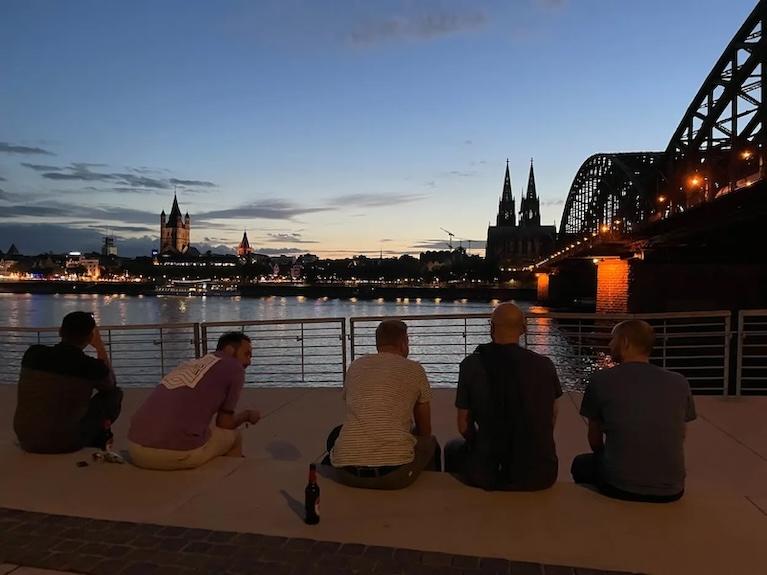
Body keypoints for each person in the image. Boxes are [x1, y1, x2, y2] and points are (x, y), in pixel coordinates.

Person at [571, 320, 697, 503]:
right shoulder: (679, 382)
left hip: (619, 486)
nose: (609, 345)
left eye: (612, 339)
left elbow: (595, 439)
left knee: (580, 464)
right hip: (672, 489)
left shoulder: (601, 380)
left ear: (625, 343)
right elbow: (682, 434)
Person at [444, 302, 562, 491]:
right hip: (541, 474)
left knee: (452, 448)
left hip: (489, 474)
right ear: (524, 329)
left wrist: (481, 443)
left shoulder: (471, 365)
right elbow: (552, 416)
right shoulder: (545, 365)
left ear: (491, 328)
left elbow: (463, 426)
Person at [325, 319, 440, 489]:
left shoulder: (356, 366)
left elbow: (359, 412)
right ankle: (430, 490)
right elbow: (425, 429)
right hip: (394, 475)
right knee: (431, 444)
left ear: (378, 344)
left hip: (345, 473)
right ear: (403, 343)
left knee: (338, 433)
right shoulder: (414, 369)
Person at [127, 332, 260, 470]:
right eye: (246, 354)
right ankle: (231, 480)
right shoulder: (235, 367)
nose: (249, 361)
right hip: (176, 455)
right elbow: (224, 423)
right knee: (234, 436)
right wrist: (247, 415)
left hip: (135, 449)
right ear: (229, 350)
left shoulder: (190, 364)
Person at [14, 311, 123, 454]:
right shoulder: (89, 366)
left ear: (60, 331)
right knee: (114, 395)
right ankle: (97, 436)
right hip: (67, 442)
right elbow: (111, 385)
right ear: (90, 336)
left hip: (26, 438)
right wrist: (99, 346)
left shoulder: (33, 353)